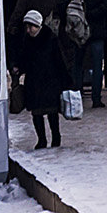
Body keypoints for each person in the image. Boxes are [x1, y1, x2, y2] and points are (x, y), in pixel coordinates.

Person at [54, 0, 107, 108]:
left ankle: (77, 93)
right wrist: (94, 14)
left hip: (78, 31)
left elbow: (61, 5)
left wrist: (73, 18)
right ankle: (96, 98)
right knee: (97, 64)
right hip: (97, 31)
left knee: (78, 63)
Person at [13, 10, 68, 149]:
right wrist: (18, 67)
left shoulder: (51, 39)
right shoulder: (27, 41)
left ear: (38, 25)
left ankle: (56, 137)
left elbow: (59, 61)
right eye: (27, 27)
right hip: (34, 82)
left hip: (50, 81)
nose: (29, 30)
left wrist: (66, 81)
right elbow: (24, 58)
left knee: (51, 112)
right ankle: (42, 139)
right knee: (37, 113)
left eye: (31, 26)